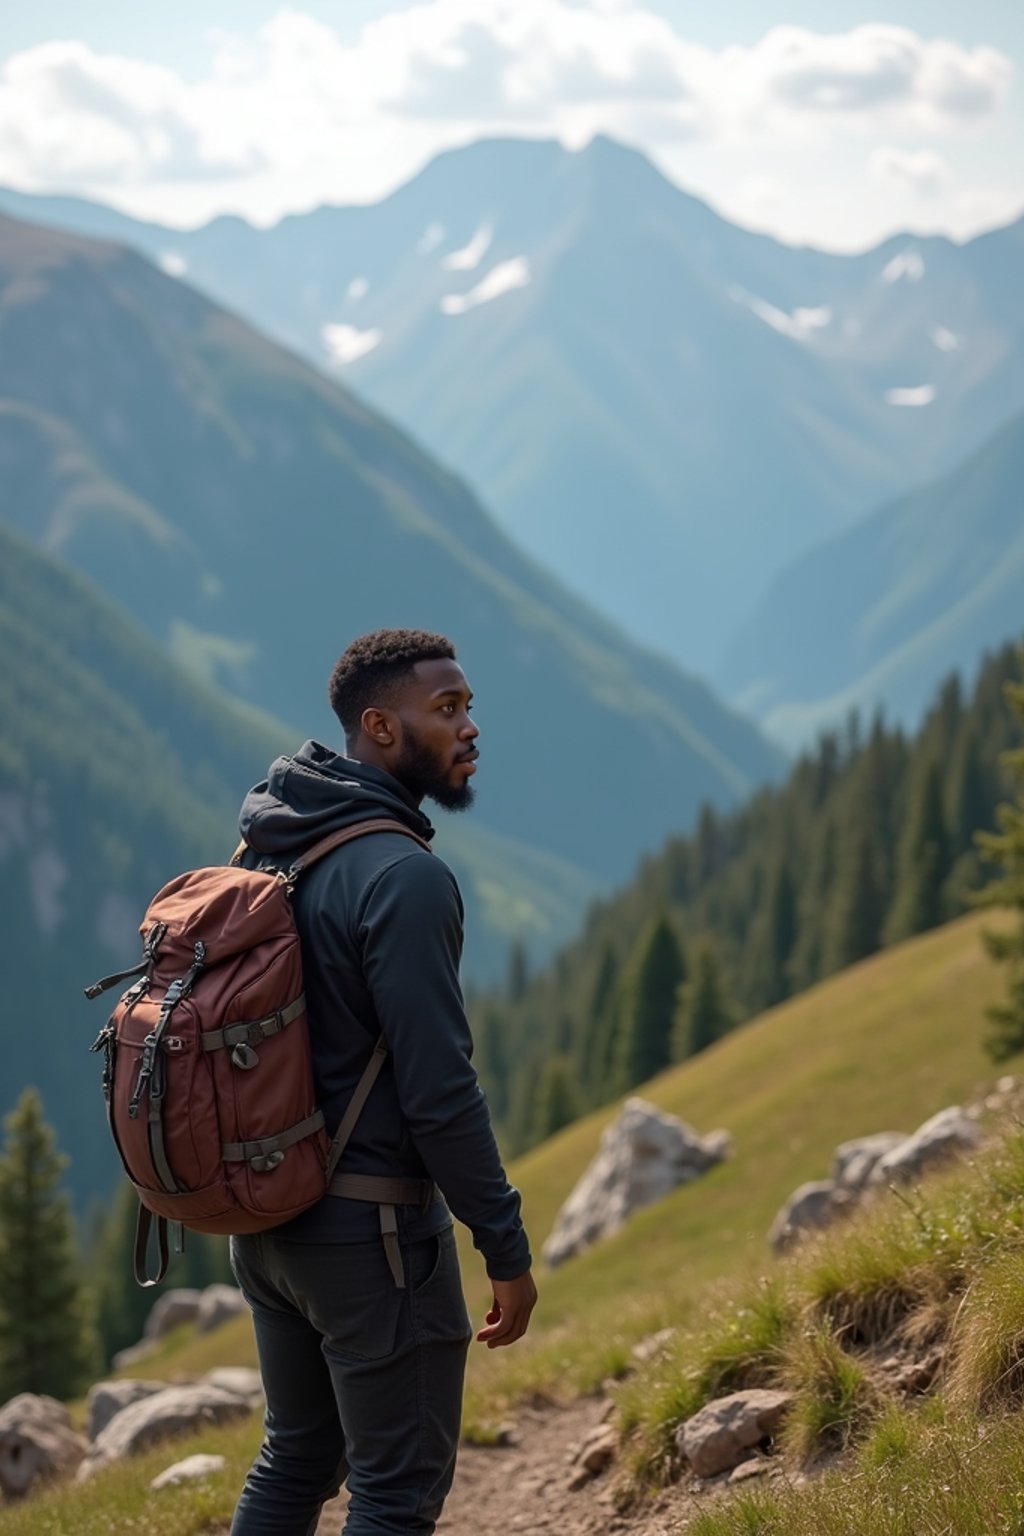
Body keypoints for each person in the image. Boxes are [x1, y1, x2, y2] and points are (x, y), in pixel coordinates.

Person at [229, 628, 537, 1536]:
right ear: (379, 726)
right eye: (446, 710)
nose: (470, 727)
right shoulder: (404, 877)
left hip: (269, 1220)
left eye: (469, 705)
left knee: (295, 1463)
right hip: (373, 1238)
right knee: (395, 1494)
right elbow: (440, 1092)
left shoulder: (275, 845)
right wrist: (506, 1247)